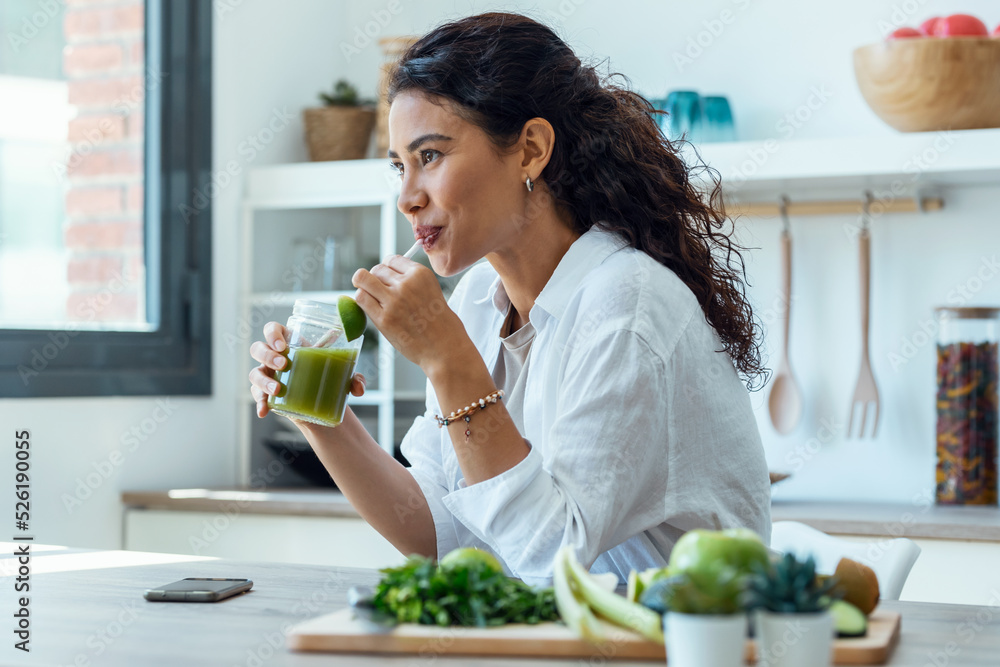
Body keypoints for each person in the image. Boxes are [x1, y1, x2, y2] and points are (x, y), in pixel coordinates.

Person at [249, 11, 771, 586]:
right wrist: (319, 413)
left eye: (431, 156)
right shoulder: (477, 300)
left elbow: (554, 563)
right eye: (399, 166)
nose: (407, 197)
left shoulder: (627, 309)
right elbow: (438, 532)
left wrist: (450, 363)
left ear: (530, 150)